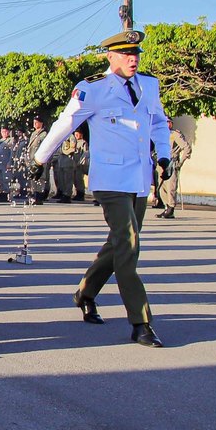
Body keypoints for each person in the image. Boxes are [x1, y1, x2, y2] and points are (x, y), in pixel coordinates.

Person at [30, 29, 171, 348]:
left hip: (138, 180)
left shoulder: (149, 85)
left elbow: (159, 123)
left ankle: (85, 293)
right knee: (129, 244)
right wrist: (40, 158)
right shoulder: (92, 88)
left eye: (136, 54)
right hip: (109, 180)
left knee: (119, 244)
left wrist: (163, 154)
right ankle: (141, 322)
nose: (133, 59)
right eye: (125, 54)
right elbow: (65, 123)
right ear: (111, 56)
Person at [157, 119, 191, 218]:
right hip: (161, 162)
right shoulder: (160, 134)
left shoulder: (175, 134)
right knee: (162, 187)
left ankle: (171, 208)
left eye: (168, 122)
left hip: (171, 162)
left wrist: (180, 162)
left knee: (170, 187)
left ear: (171, 123)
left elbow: (187, 148)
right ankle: (166, 207)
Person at [26, 116, 49, 204]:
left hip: (40, 159)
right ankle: (33, 195)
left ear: (41, 123)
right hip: (32, 159)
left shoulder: (44, 134)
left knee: (40, 178)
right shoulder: (34, 133)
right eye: (34, 122)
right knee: (32, 177)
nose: (34, 124)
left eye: (36, 122)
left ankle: (39, 196)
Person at [72, 128, 89, 200]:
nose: (76, 135)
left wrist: (81, 162)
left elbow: (85, 153)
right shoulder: (74, 142)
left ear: (81, 134)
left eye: (78, 133)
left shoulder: (83, 142)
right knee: (75, 179)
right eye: (75, 133)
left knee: (79, 179)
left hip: (80, 164)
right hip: (73, 163)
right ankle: (77, 193)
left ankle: (81, 194)